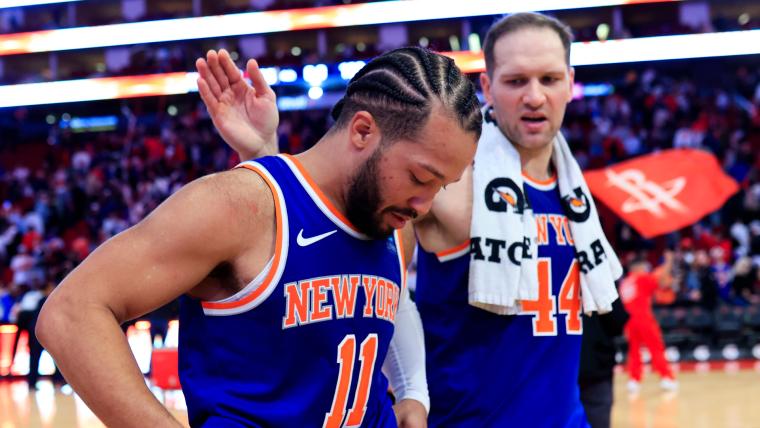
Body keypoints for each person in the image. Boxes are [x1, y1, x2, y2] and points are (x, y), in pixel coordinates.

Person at [206, 12, 622, 427]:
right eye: (516, 81)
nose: (534, 96)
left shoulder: (575, 189)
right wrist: (263, 154)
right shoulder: (445, 181)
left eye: (549, 79)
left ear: (570, 83)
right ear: (487, 87)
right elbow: (352, 265)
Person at [36, 46, 482, 427]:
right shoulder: (237, 205)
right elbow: (71, 314)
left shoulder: (390, 218)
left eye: (440, 186)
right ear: (363, 130)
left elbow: (390, 300)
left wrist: (412, 395)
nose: (425, 205)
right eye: (421, 177)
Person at [618, 259, 677, 392]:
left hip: (629, 321)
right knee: (656, 347)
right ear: (637, 268)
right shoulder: (641, 278)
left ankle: (634, 380)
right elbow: (661, 281)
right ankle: (666, 377)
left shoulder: (625, 282)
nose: (645, 269)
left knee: (634, 350)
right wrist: (668, 261)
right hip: (643, 318)